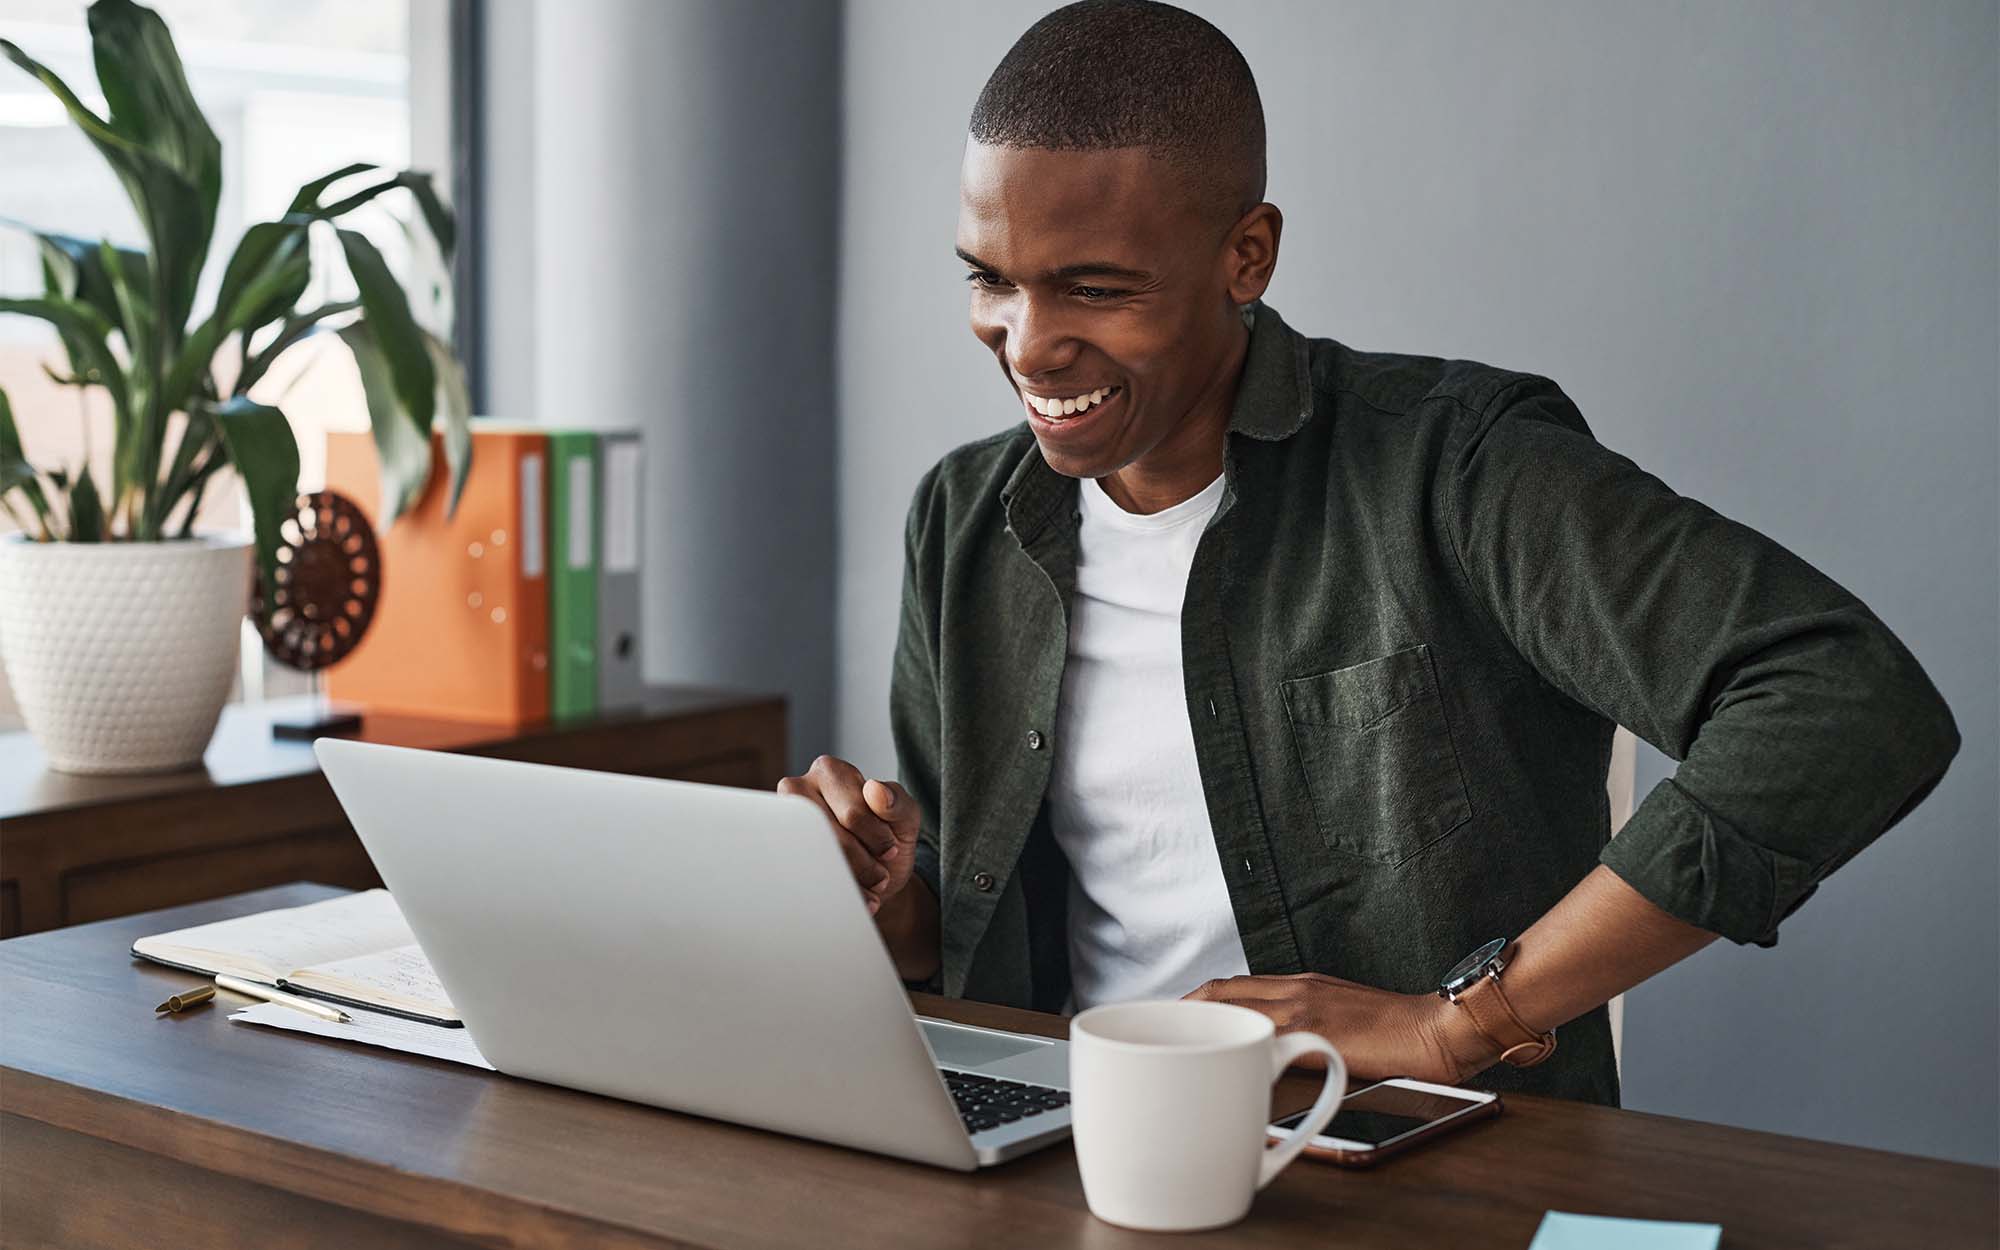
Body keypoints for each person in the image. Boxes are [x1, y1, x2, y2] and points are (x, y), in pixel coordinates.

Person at [778, 0, 1959, 1103]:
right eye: (990, 279)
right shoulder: (964, 515)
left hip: (1416, 1152)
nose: (1026, 346)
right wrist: (879, 903)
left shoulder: (1456, 468)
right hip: (1077, 1139)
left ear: (1246, 256)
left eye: (1093, 288)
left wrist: (1454, 1022)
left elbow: (1844, 700)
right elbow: (972, 912)